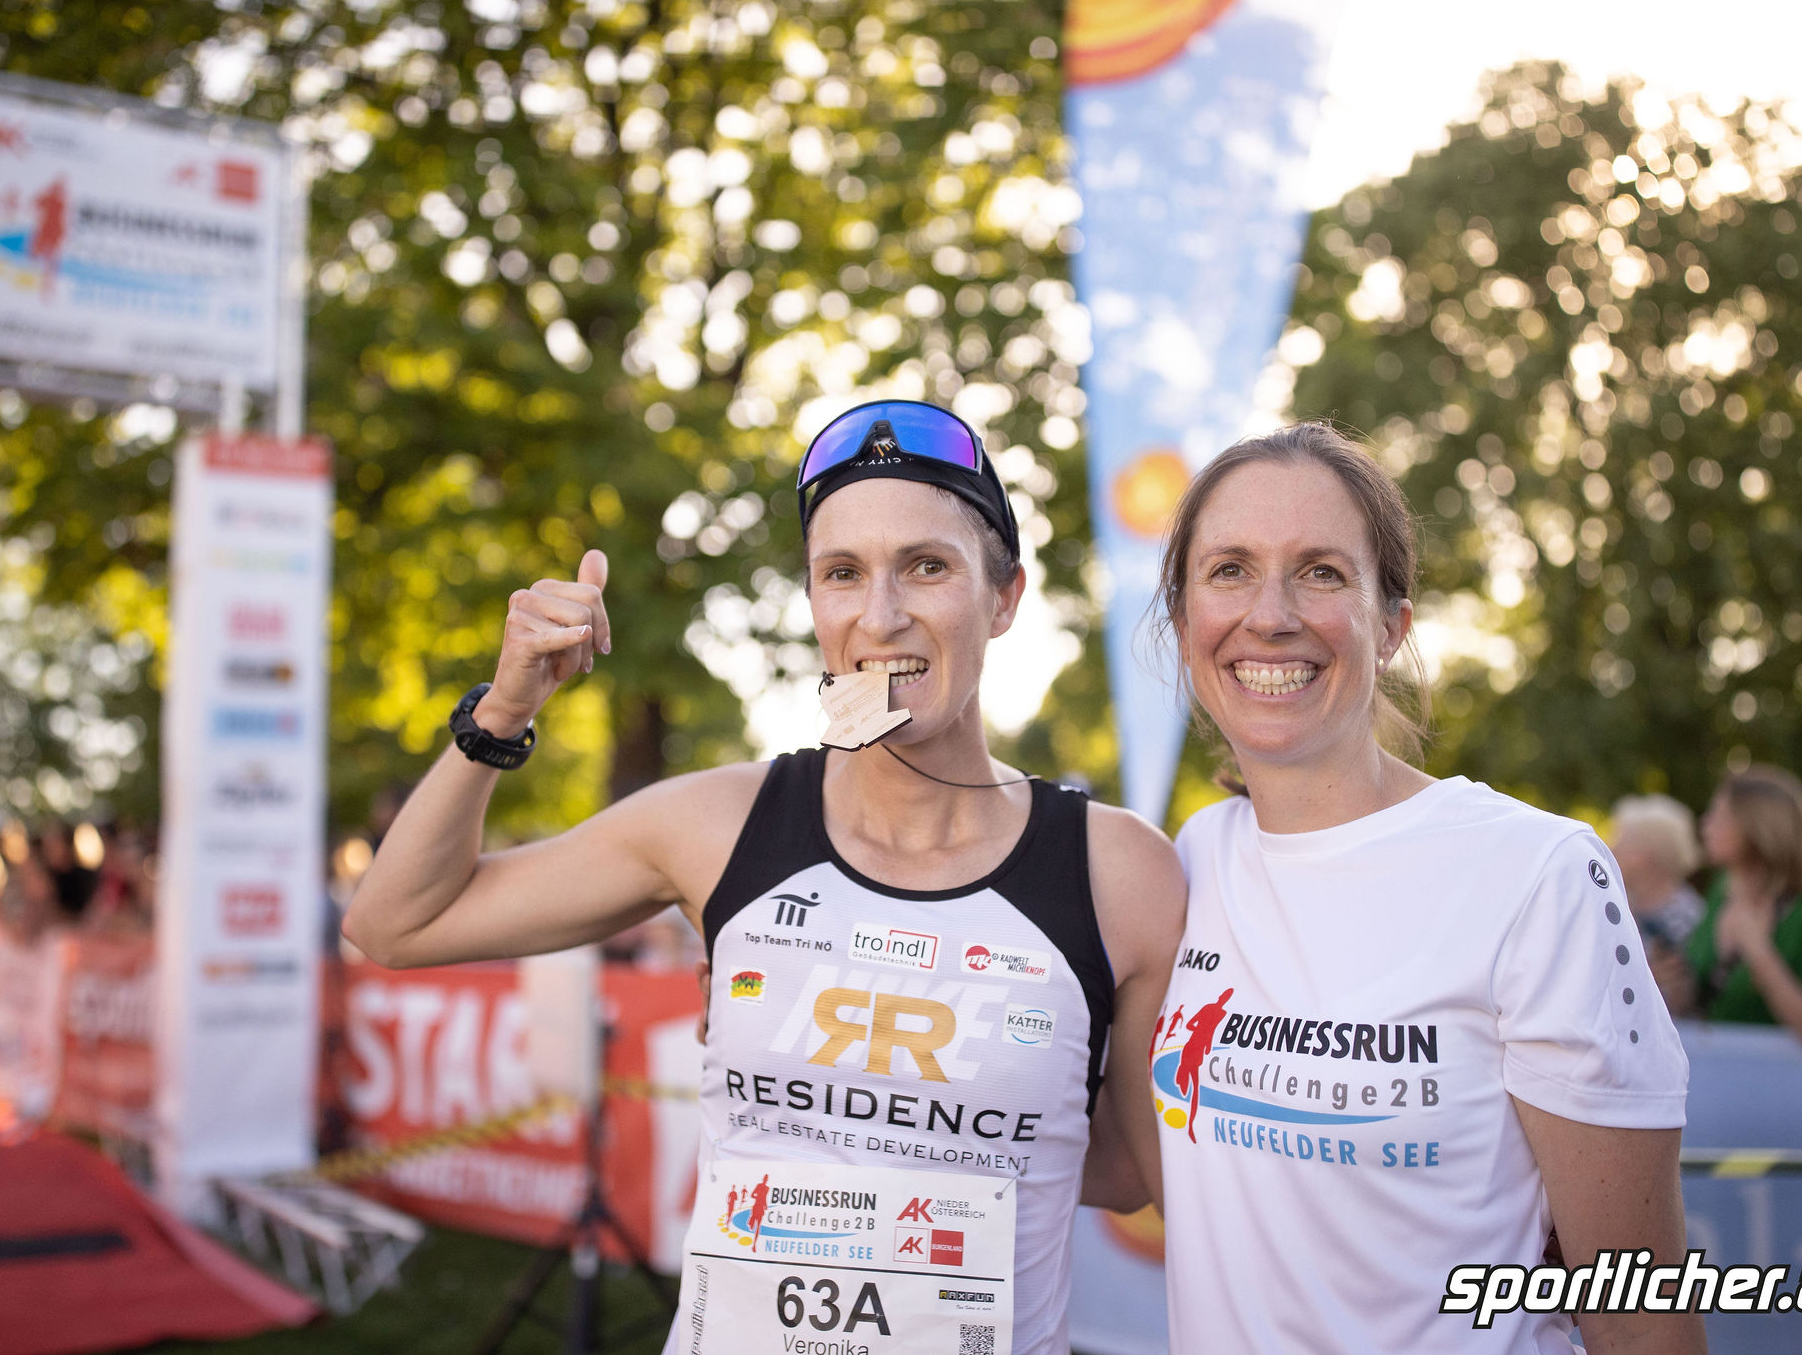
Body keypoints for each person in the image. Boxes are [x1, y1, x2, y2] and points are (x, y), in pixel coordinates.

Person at [343, 399, 1185, 1355]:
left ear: (1004, 599)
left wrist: (935, 1137)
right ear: (815, 601)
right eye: (843, 573)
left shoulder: (1119, 871)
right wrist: (503, 709)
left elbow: (1133, 1170)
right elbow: (394, 922)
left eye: (927, 565)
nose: (881, 614)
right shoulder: (718, 824)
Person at [1140, 423, 1700, 1354]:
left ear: (1393, 625)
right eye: (1229, 569)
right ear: (1183, 618)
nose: (1270, 613)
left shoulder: (1538, 873)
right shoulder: (1192, 860)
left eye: (1321, 571)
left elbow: (1644, 1322)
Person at [1660, 767, 1802, 1056]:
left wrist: (1759, 952)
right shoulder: (1722, 893)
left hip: (1782, 1080)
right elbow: (1709, 1001)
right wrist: (1672, 987)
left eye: (1720, 816)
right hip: (1720, 1073)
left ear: (1758, 828)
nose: (1705, 823)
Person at [1608, 793, 1707, 956]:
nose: (1612, 850)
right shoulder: (1623, 905)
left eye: (1622, 843)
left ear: (1648, 854)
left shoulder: (1686, 917)